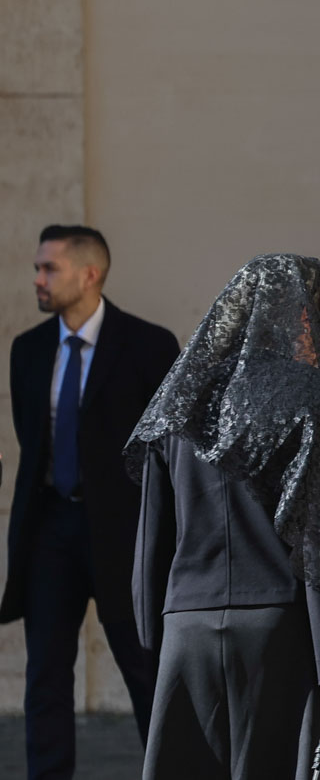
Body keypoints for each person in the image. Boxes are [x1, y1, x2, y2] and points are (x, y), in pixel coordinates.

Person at [127, 253, 320, 779]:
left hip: (188, 632)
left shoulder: (180, 403)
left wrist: (156, 638)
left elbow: (153, 536)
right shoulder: (314, 398)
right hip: (280, 635)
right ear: (295, 316)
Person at [3, 225, 178, 779]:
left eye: (47, 268)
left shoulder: (150, 345)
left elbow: (166, 447)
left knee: (147, 670)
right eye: (37, 267)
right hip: (50, 529)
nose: (37, 278)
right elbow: (34, 445)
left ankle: (171, 770)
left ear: (89, 273)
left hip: (125, 536)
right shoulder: (28, 350)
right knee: (46, 678)